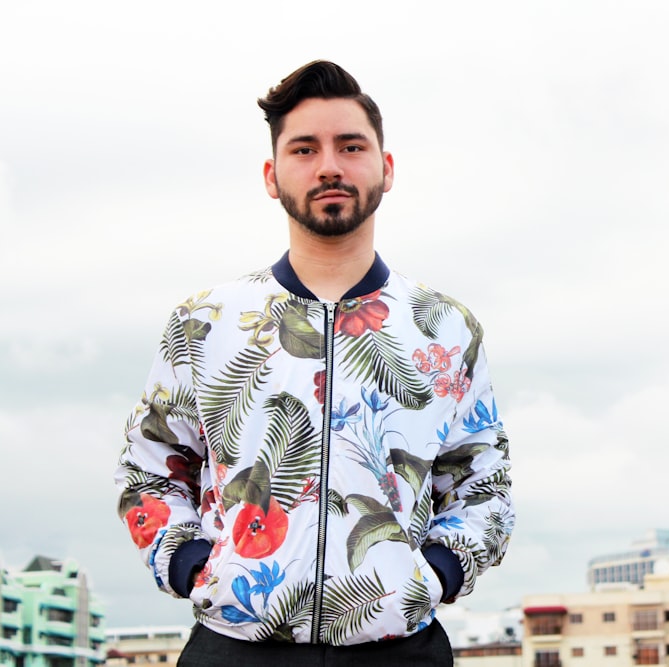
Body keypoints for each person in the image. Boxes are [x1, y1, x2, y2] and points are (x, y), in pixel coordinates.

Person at [114, 60, 514, 665]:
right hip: (236, 646)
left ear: (386, 168)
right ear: (273, 177)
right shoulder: (206, 322)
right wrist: (190, 565)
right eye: (305, 149)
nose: (329, 165)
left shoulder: (445, 327)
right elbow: (148, 468)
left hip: (399, 650)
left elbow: (483, 480)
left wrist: (434, 575)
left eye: (351, 146)